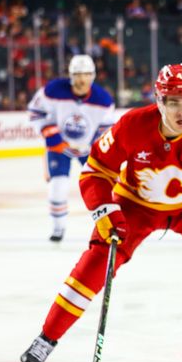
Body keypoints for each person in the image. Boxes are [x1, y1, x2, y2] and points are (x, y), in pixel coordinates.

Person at [20, 63, 182, 362]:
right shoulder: (132, 125)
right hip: (135, 205)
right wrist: (105, 208)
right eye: (174, 102)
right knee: (97, 261)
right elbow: (96, 171)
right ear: (159, 100)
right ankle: (47, 338)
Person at [28, 54, 116, 242]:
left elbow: (106, 130)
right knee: (57, 186)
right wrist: (54, 138)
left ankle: (111, 225)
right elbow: (35, 112)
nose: (81, 79)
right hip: (60, 147)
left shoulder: (103, 100)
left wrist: (93, 146)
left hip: (89, 150)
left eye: (85, 74)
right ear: (71, 75)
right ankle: (58, 228)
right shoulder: (53, 90)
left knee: (104, 186)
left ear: (92, 76)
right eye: (77, 74)